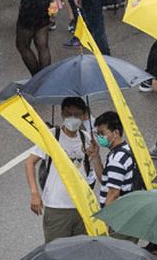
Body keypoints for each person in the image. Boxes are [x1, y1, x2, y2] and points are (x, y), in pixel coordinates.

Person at [24, 96, 104, 242]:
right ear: (62, 114)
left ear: (84, 116)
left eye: (77, 115)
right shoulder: (52, 136)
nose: (72, 118)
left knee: (81, 252)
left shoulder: (86, 138)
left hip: (82, 206)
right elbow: (30, 163)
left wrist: (96, 156)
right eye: (69, 114)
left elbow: (100, 177)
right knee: (55, 253)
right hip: (57, 207)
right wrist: (34, 194)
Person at [96, 110, 142, 205]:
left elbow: (113, 193)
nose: (99, 137)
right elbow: (106, 180)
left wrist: (106, 216)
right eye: (98, 133)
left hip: (116, 212)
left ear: (116, 133)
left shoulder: (117, 159)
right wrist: (95, 156)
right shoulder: (125, 149)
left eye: (102, 133)